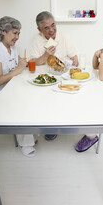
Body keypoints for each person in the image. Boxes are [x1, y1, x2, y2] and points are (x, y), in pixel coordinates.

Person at [0, 16, 36, 157]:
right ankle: (26, 143)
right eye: (14, 33)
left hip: (8, 89)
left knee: (31, 98)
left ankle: (28, 134)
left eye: (19, 33)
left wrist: (23, 63)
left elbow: (20, 64)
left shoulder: (13, 49)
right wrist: (18, 69)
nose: (17, 37)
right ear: (3, 32)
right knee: (20, 107)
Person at [30, 11, 79, 141]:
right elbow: (33, 62)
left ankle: (62, 124)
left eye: (53, 25)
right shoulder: (36, 39)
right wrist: (46, 55)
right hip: (46, 76)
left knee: (64, 100)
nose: (52, 30)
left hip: (63, 75)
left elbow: (74, 57)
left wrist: (74, 60)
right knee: (43, 102)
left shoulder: (64, 37)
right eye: (47, 28)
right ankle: (48, 126)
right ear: (39, 29)